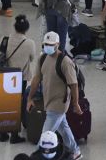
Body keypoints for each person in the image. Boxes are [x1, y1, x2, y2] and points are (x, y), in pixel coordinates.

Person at [25, 31, 83, 159]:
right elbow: (36, 79)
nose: (48, 47)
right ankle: (75, 151)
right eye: (46, 44)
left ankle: (35, 156)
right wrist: (29, 98)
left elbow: (73, 84)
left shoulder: (65, 62)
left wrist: (75, 103)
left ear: (58, 44)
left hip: (59, 104)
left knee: (46, 134)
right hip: (48, 100)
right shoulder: (43, 58)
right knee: (63, 127)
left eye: (51, 44)